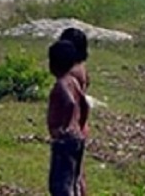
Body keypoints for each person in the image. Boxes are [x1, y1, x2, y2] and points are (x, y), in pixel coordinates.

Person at [46, 39, 88, 196]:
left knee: (60, 182)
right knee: (74, 178)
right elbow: (84, 104)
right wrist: (80, 123)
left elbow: (70, 103)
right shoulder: (74, 82)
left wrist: (64, 126)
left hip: (65, 140)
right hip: (77, 137)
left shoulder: (61, 84)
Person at [58, 27, 90, 195]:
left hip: (72, 127)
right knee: (77, 173)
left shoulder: (72, 73)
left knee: (70, 177)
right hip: (79, 127)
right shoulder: (81, 68)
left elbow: (74, 103)